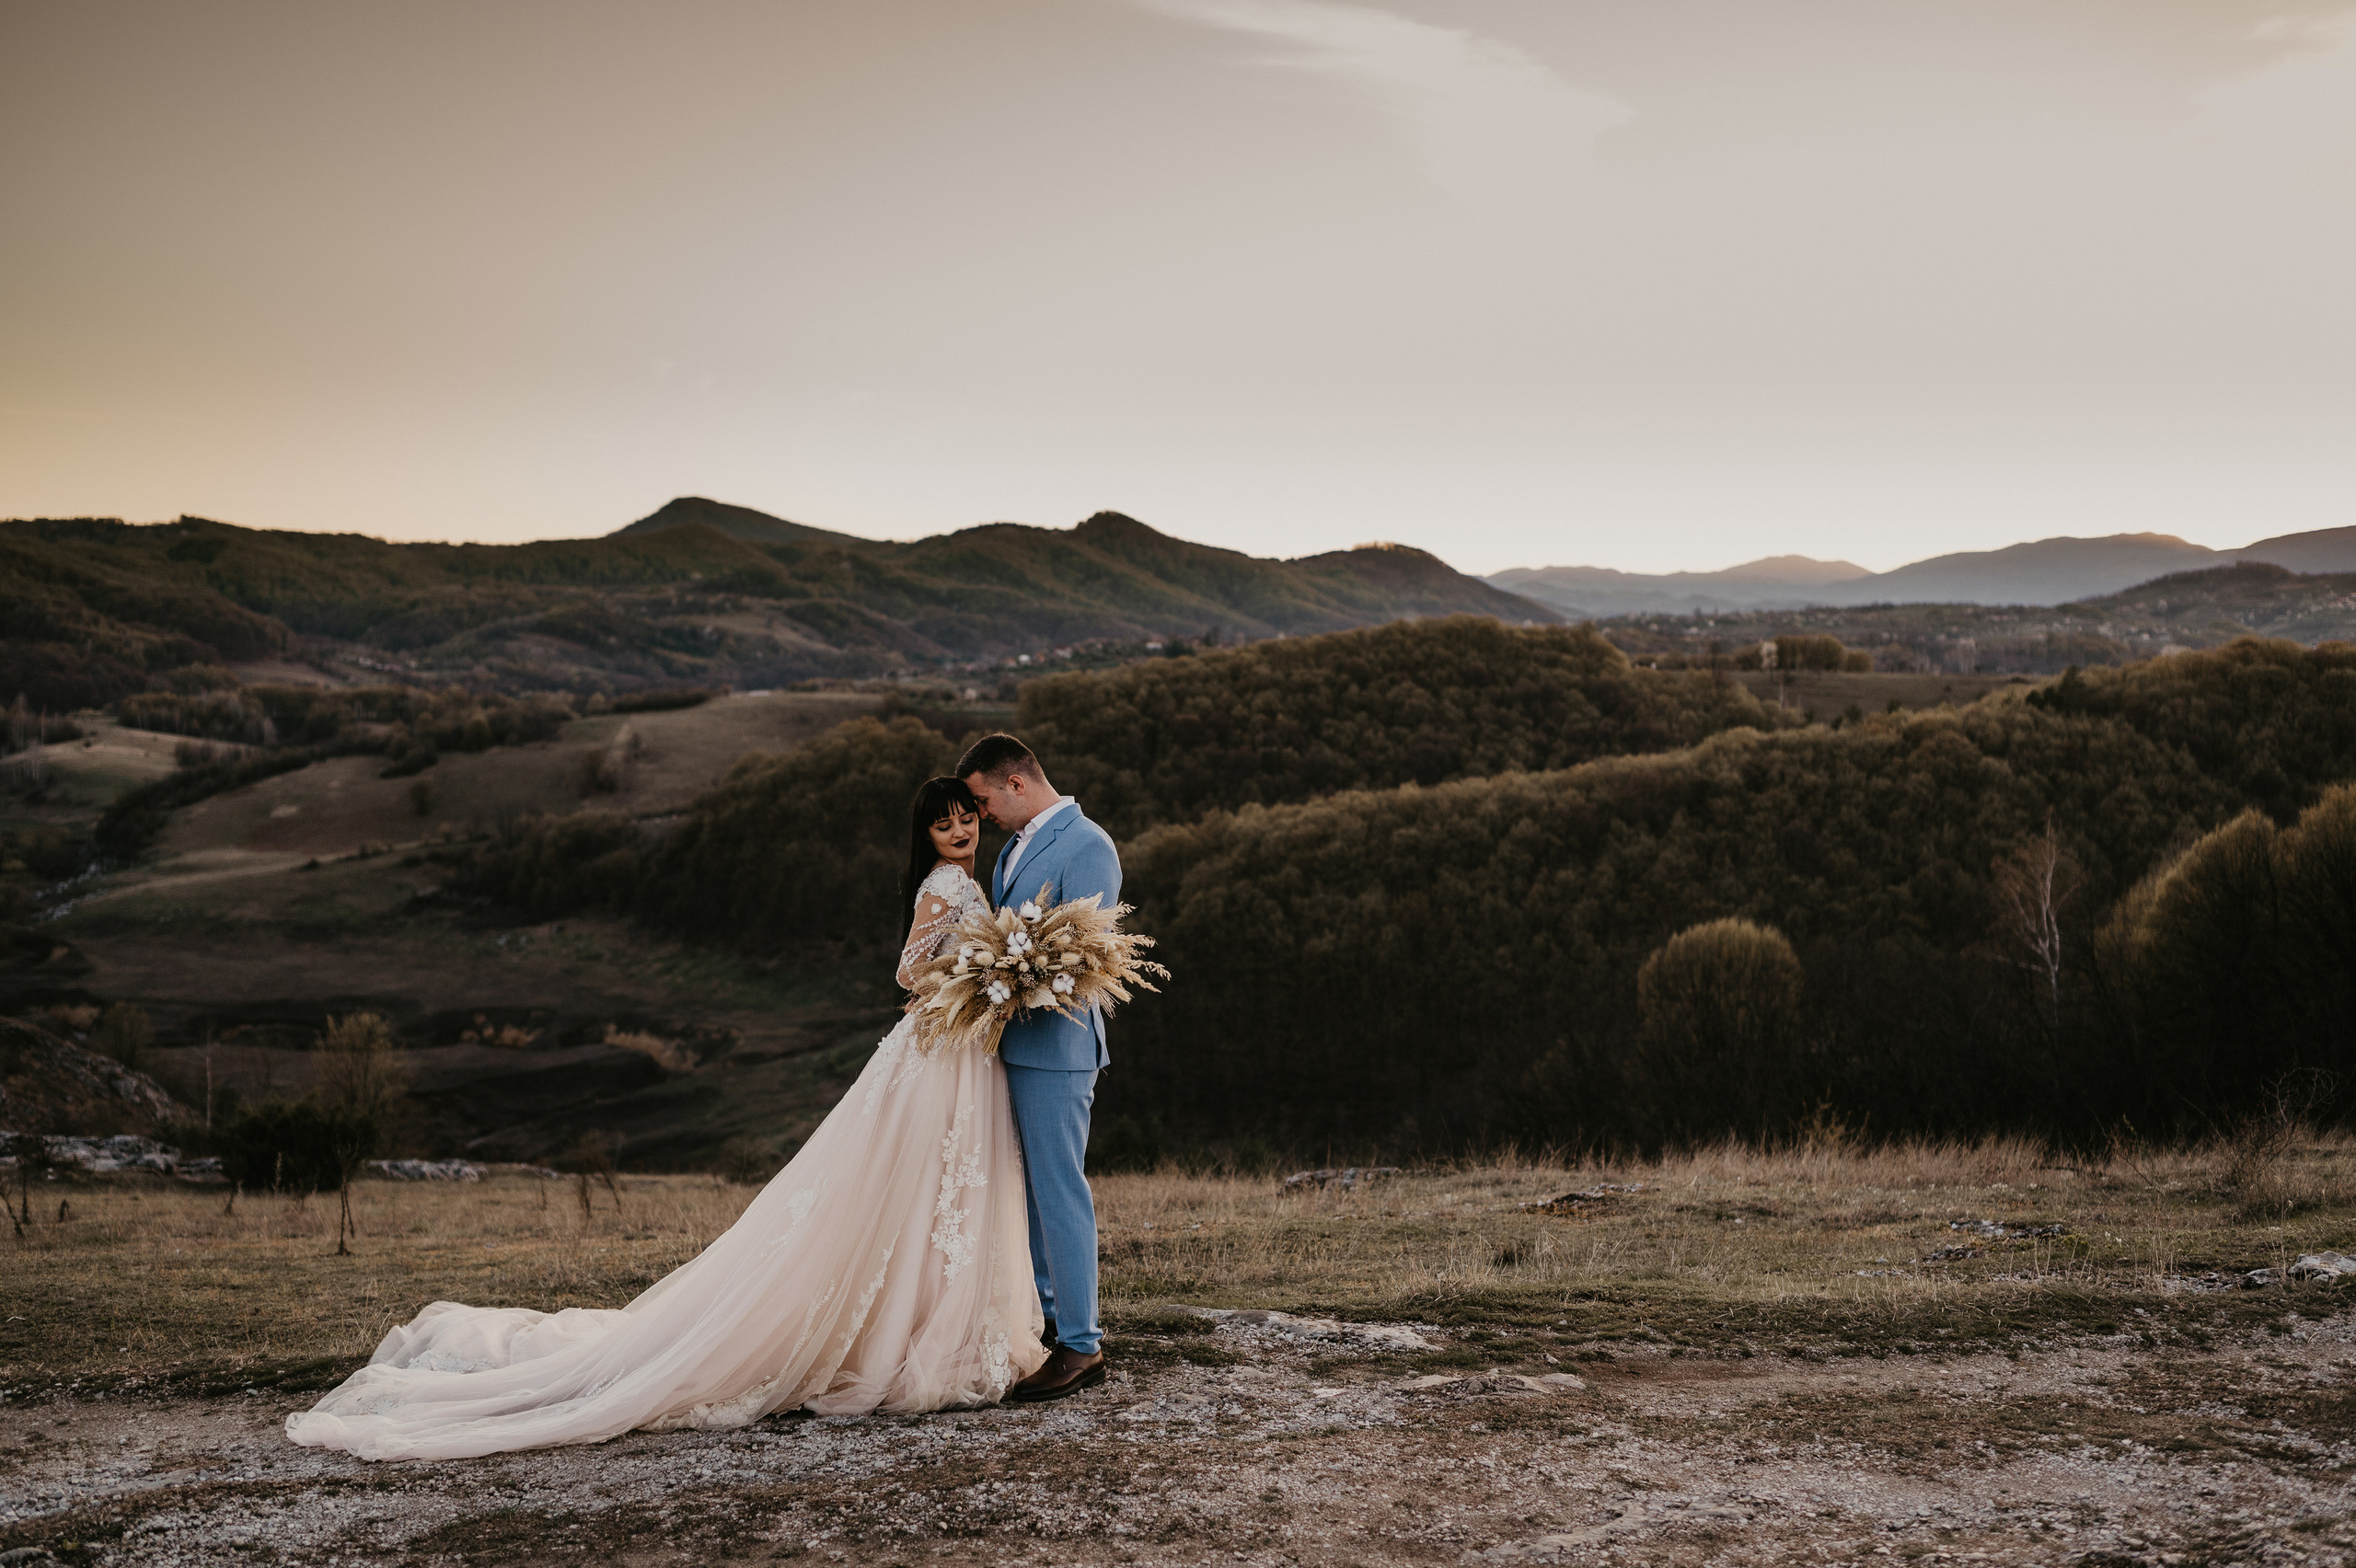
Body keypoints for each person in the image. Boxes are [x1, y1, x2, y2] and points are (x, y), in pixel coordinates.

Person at [284, 778, 1046, 1460]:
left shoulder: (968, 883)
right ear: (927, 835)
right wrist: (973, 973)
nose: (959, 832)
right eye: (944, 824)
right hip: (939, 1050)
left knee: (939, 1193)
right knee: (918, 1188)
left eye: (965, 822)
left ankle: (925, 1325)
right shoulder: (946, 887)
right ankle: (908, 1334)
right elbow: (908, 971)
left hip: (958, 1050)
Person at [956, 732, 1122, 1403]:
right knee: (1026, 1192)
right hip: (1012, 1044)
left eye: (982, 799)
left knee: (1058, 1189)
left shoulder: (1089, 847)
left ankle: (1082, 1347)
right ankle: (1050, 1317)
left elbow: (1084, 959)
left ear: (1016, 784)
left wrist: (1007, 976)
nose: (980, 815)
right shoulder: (1014, 848)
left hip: (1057, 1047)